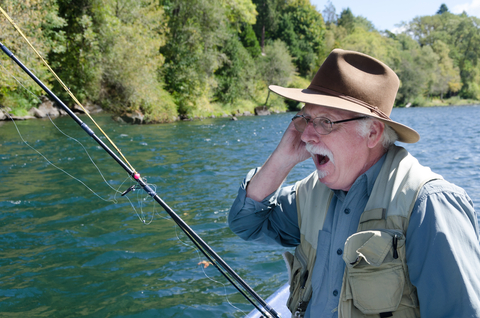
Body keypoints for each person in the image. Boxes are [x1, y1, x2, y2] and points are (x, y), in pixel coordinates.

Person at [228, 49, 480, 318]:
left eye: (325, 121)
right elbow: (246, 223)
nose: (307, 136)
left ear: (372, 132)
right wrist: (281, 160)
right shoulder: (310, 192)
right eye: (305, 119)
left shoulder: (428, 204)